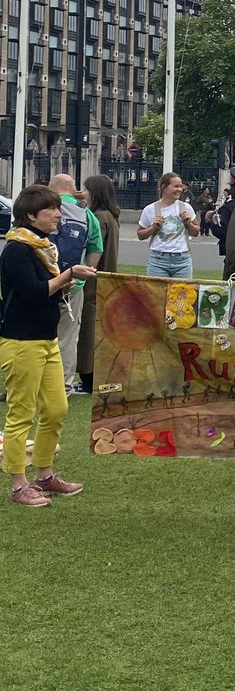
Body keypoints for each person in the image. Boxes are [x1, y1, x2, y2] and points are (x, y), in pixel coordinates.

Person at [0, 184, 96, 507]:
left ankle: (44, 475)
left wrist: (63, 281)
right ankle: (18, 485)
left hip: (46, 338)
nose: (58, 214)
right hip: (20, 341)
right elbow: (30, 293)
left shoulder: (42, 246)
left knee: (57, 408)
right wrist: (67, 274)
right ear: (31, 216)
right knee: (21, 414)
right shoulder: (16, 250)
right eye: (51, 210)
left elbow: (48, 290)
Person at [47, 174, 103, 397]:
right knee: (68, 338)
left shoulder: (42, 207)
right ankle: (62, 387)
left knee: (35, 337)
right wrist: (83, 275)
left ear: (52, 188)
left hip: (42, 280)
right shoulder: (87, 214)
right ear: (73, 189)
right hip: (72, 282)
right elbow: (95, 248)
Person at [75, 174, 120, 395]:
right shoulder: (110, 216)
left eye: (86, 189)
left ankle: (88, 378)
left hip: (93, 281)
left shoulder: (99, 218)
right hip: (105, 279)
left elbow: (93, 248)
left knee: (87, 332)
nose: (83, 193)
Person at [137, 172, 199, 279]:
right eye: (176, 186)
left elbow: (196, 232)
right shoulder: (150, 209)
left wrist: (189, 223)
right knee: (157, 294)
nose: (180, 189)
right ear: (164, 187)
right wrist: (153, 227)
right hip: (158, 260)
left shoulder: (185, 207)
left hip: (182, 260)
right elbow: (140, 235)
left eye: (181, 186)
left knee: (182, 294)